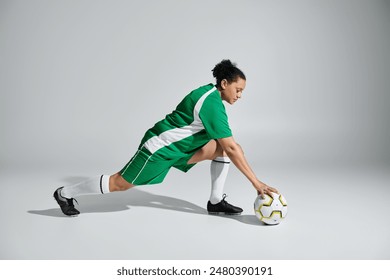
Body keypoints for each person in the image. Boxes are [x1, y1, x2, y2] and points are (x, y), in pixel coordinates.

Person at [53, 59, 279, 216]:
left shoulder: (211, 97)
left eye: (242, 92)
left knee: (225, 149)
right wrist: (256, 183)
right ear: (224, 84)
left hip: (181, 149)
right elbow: (230, 148)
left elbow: (228, 147)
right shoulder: (211, 103)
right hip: (159, 150)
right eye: (238, 90)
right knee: (119, 183)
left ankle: (215, 202)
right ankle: (65, 194)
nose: (240, 95)